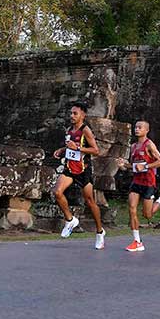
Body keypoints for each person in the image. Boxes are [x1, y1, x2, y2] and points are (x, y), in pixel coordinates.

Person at [52, 102, 106, 249]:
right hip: (70, 168)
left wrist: (78, 148)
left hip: (83, 170)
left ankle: (100, 232)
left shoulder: (85, 130)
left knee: (90, 201)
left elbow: (95, 150)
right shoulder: (69, 130)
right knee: (57, 192)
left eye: (75, 113)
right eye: (71, 113)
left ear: (83, 115)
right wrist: (62, 149)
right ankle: (70, 220)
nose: (72, 116)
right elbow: (70, 146)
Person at [118, 120, 160, 252]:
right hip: (136, 183)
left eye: (140, 128)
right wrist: (124, 165)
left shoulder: (149, 145)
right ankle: (137, 241)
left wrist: (146, 166)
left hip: (148, 183)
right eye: (136, 127)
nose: (136, 129)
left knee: (147, 215)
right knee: (131, 209)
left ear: (146, 130)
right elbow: (134, 166)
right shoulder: (133, 147)